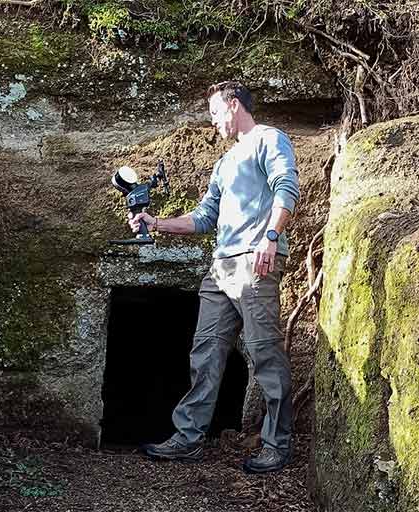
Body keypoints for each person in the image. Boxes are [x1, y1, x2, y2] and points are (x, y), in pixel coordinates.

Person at [128, 81, 299, 474]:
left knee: (264, 354)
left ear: (233, 105)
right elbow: (205, 217)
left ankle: (277, 444)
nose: (213, 121)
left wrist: (270, 237)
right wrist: (156, 223)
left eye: (215, 112)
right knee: (204, 353)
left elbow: (287, 187)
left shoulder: (269, 140)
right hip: (220, 268)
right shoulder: (224, 163)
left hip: (255, 263)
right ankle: (188, 439)